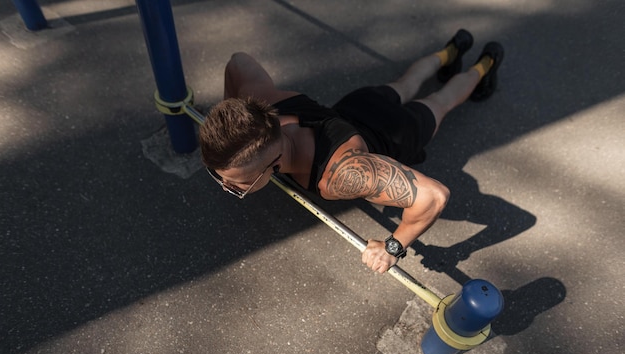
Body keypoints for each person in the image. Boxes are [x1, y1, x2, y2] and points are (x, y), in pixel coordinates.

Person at [199, 29, 504, 274]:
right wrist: (231, 121)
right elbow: (238, 62)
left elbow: (433, 197)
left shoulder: (340, 176)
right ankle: (451, 50)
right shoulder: (260, 102)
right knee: (405, 83)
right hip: (359, 105)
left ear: (274, 163)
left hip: (396, 132)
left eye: (241, 183)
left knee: (442, 100)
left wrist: (391, 248)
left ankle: (485, 63)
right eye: (222, 177)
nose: (227, 186)